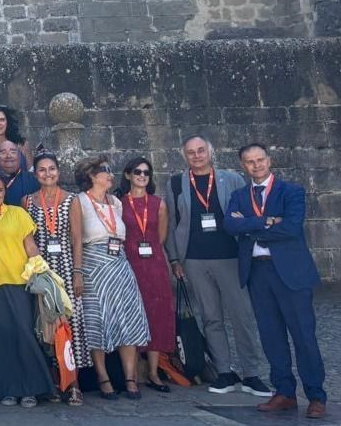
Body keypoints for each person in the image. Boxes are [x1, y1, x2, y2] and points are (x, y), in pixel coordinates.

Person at [162, 135, 271, 397]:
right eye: (191, 152)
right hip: (195, 259)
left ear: (210, 152)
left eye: (201, 150)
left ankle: (252, 373)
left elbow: (246, 214)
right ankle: (224, 371)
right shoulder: (176, 183)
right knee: (211, 317)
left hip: (230, 256)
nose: (197, 156)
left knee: (241, 316)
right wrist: (175, 259)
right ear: (184, 156)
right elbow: (172, 223)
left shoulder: (231, 179)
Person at [224, 144, 327, 419]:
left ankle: (316, 395)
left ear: (270, 161)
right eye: (249, 162)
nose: (256, 165)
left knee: (304, 336)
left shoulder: (291, 191)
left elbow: (291, 228)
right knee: (271, 336)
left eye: (260, 160)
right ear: (242, 166)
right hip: (257, 273)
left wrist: (251, 226)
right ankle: (284, 393)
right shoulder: (238, 195)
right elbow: (230, 226)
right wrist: (267, 221)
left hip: (291, 274)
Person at [0, 172, 55, 407]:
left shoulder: (18, 215)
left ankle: (31, 389)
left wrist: (43, 278)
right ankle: (7, 388)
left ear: (5, 193)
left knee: (23, 334)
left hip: (17, 282)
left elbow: (31, 247)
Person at [71, 155, 150, 400]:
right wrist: (78, 272)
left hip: (119, 262)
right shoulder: (80, 201)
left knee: (128, 318)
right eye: (104, 171)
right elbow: (76, 240)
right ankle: (103, 377)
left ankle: (130, 378)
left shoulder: (116, 202)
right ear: (92, 176)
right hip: (94, 263)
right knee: (98, 320)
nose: (110, 174)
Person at [22, 152, 87, 404]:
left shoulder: (71, 200)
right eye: (42, 170)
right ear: (35, 174)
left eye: (51, 169)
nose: (47, 174)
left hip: (67, 268)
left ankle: (73, 384)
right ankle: (52, 382)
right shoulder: (27, 201)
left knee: (70, 326)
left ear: (58, 172)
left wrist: (78, 273)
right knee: (44, 326)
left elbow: (77, 238)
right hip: (41, 270)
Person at [118, 154, 176, 393]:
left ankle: (153, 371)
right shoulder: (117, 203)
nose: (142, 176)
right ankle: (133, 372)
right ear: (128, 175)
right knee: (131, 314)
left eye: (146, 173)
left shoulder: (158, 203)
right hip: (129, 264)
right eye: (137, 172)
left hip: (154, 265)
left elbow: (161, 237)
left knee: (157, 315)